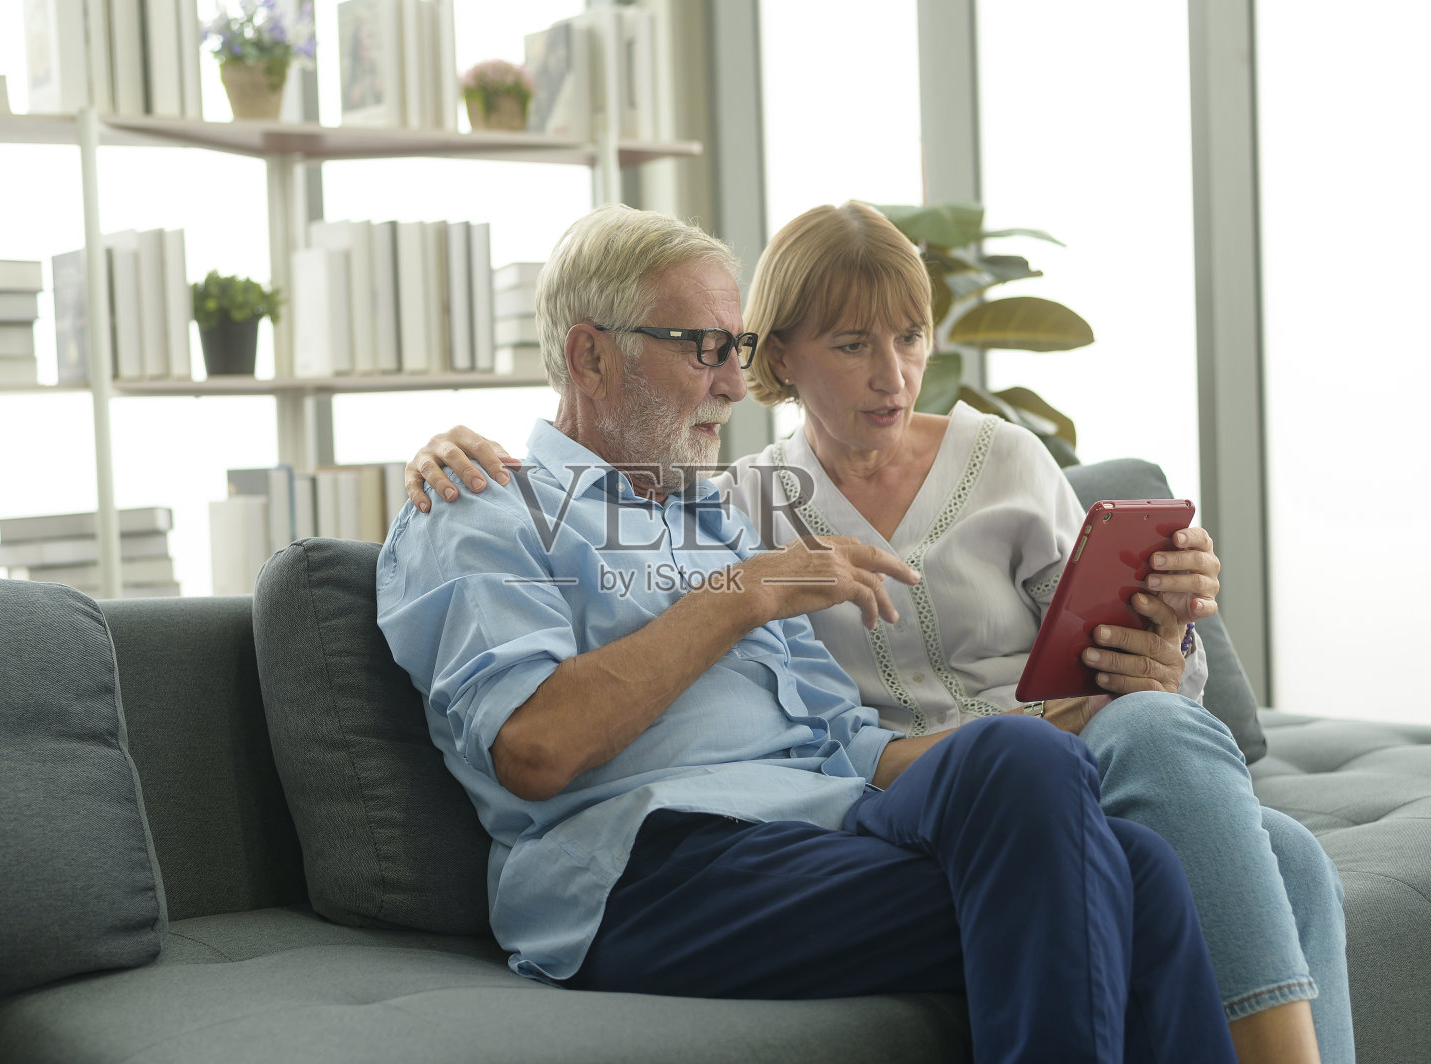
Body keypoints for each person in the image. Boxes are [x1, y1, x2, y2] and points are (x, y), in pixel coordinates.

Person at [401, 202, 1354, 1063]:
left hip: (819, 822)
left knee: (1083, 812)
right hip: (643, 866)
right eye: (704, 349)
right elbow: (532, 746)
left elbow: (846, 744)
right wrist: (738, 594)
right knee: (1122, 860)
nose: (734, 383)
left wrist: (1073, 717)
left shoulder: (722, 515)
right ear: (590, 355)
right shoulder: (488, 510)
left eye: (736, 348)